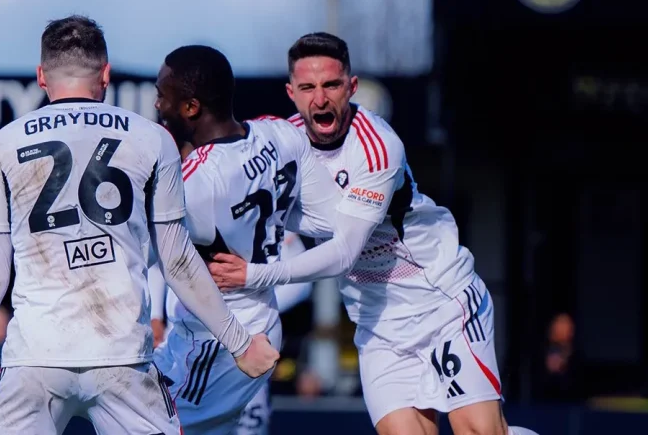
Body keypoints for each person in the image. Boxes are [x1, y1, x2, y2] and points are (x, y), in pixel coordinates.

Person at [0, 16, 278, 435]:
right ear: (105, 74)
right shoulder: (153, 139)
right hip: (123, 356)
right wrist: (240, 343)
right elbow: (177, 261)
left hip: (34, 358)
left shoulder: (1, 145)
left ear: (41, 76)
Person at [207, 33, 538, 435]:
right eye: (308, 88)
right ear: (290, 93)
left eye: (331, 85)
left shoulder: (378, 147)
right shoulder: (276, 144)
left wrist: (253, 274)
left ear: (352, 86)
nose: (320, 99)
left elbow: (346, 251)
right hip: (377, 324)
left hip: (440, 303)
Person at [151, 45, 338, 435]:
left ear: (190, 108)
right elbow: (326, 217)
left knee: (141, 423)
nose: (156, 104)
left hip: (216, 343)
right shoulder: (279, 132)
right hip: (254, 322)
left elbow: (135, 243)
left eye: (161, 95)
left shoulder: (194, 183)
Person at [149, 232, 313, 435]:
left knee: (248, 428)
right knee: (171, 420)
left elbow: (302, 285)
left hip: (249, 343)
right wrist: (155, 315)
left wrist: (255, 307)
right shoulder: (183, 208)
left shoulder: (269, 215)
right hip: (187, 342)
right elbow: (156, 259)